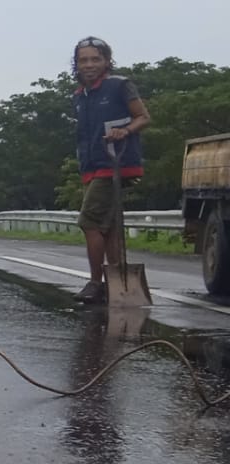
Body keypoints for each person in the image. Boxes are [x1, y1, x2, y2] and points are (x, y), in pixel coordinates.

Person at [70, 36, 150, 304]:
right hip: (92, 166)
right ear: (77, 64)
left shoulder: (119, 85)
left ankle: (96, 283)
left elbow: (143, 117)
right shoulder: (80, 95)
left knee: (89, 222)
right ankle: (117, 280)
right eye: (84, 60)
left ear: (106, 61)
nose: (89, 64)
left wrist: (124, 131)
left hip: (116, 162)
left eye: (96, 59)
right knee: (110, 227)